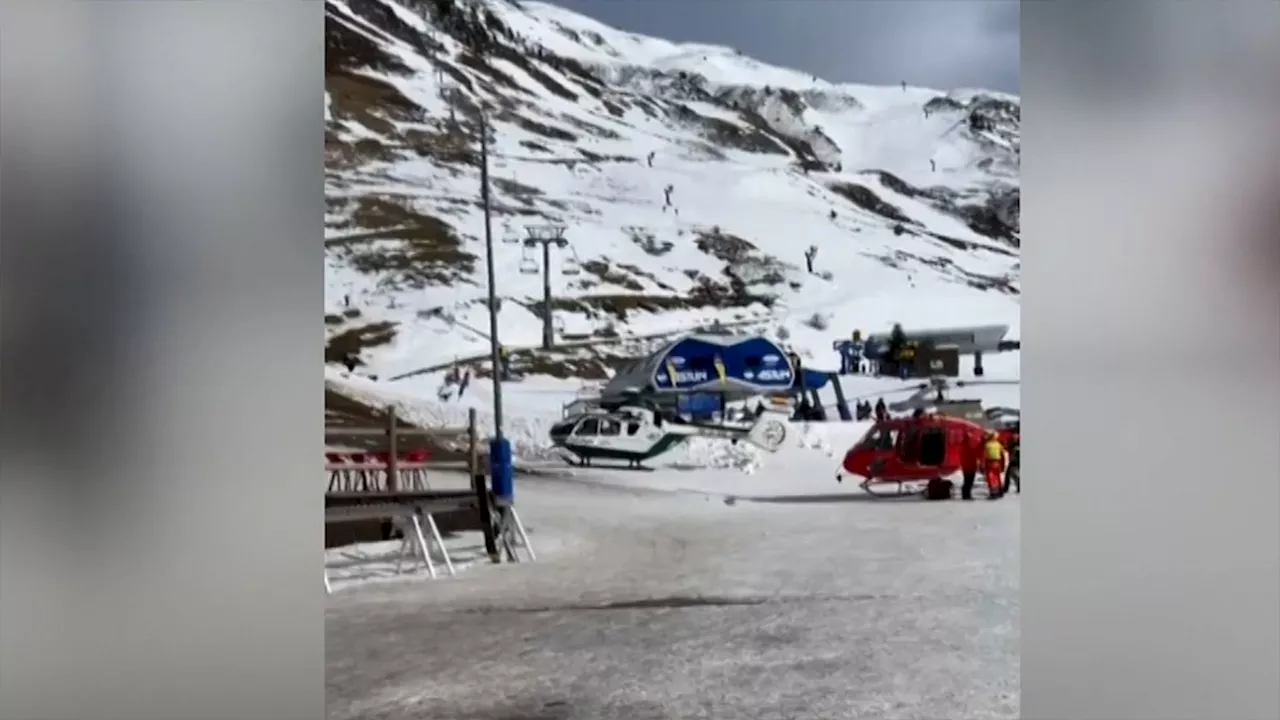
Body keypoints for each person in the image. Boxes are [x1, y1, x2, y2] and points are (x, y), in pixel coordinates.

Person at [982, 430, 1007, 499]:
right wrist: (1003, 465)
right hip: (997, 462)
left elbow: (984, 456)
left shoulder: (987, 445)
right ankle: (1000, 491)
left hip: (989, 462)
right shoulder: (998, 444)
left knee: (991, 478)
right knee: (998, 477)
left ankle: (993, 492)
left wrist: (982, 464)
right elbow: (1003, 455)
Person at [959, 433, 982, 500]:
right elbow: (977, 453)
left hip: (965, 467)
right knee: (969, 482)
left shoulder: (962, 448)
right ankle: (967, 495)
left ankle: (965, 495)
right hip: (971, 467)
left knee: (966, 481)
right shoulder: (970, 448)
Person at [1004, 430, 1021, 494]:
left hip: (1018, 461)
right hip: (1013, 461)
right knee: (1008, 474)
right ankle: (1006, 488)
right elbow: (1008, 449)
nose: (1015, 438)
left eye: (1016, 437)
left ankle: (1019, 488)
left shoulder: (1018, 444)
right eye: (1014, 437)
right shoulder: (1011, 443)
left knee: (1017, 475)